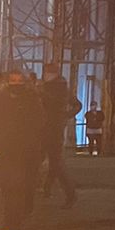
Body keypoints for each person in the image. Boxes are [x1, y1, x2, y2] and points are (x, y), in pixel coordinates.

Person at [0, 71, 48, 230]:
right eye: (13, 81)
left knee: (15, 189)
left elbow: (40, 127)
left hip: (22, 152)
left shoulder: (31, 102)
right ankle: (13, 223)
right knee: (10, 189)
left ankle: (13, 225)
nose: (16, 84)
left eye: (18, 81)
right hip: (6, 151)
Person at [37, 65, 79, 206]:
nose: (44, 75)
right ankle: (47, 188)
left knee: (54, 162)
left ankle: (69, 193)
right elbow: (76, 104)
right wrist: (66, 116)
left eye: (46, 73)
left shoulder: (55, 88)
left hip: (51, 128)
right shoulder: (61, 87)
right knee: (52, 161)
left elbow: (54, 103)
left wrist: (64, 115)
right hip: (51, 127)